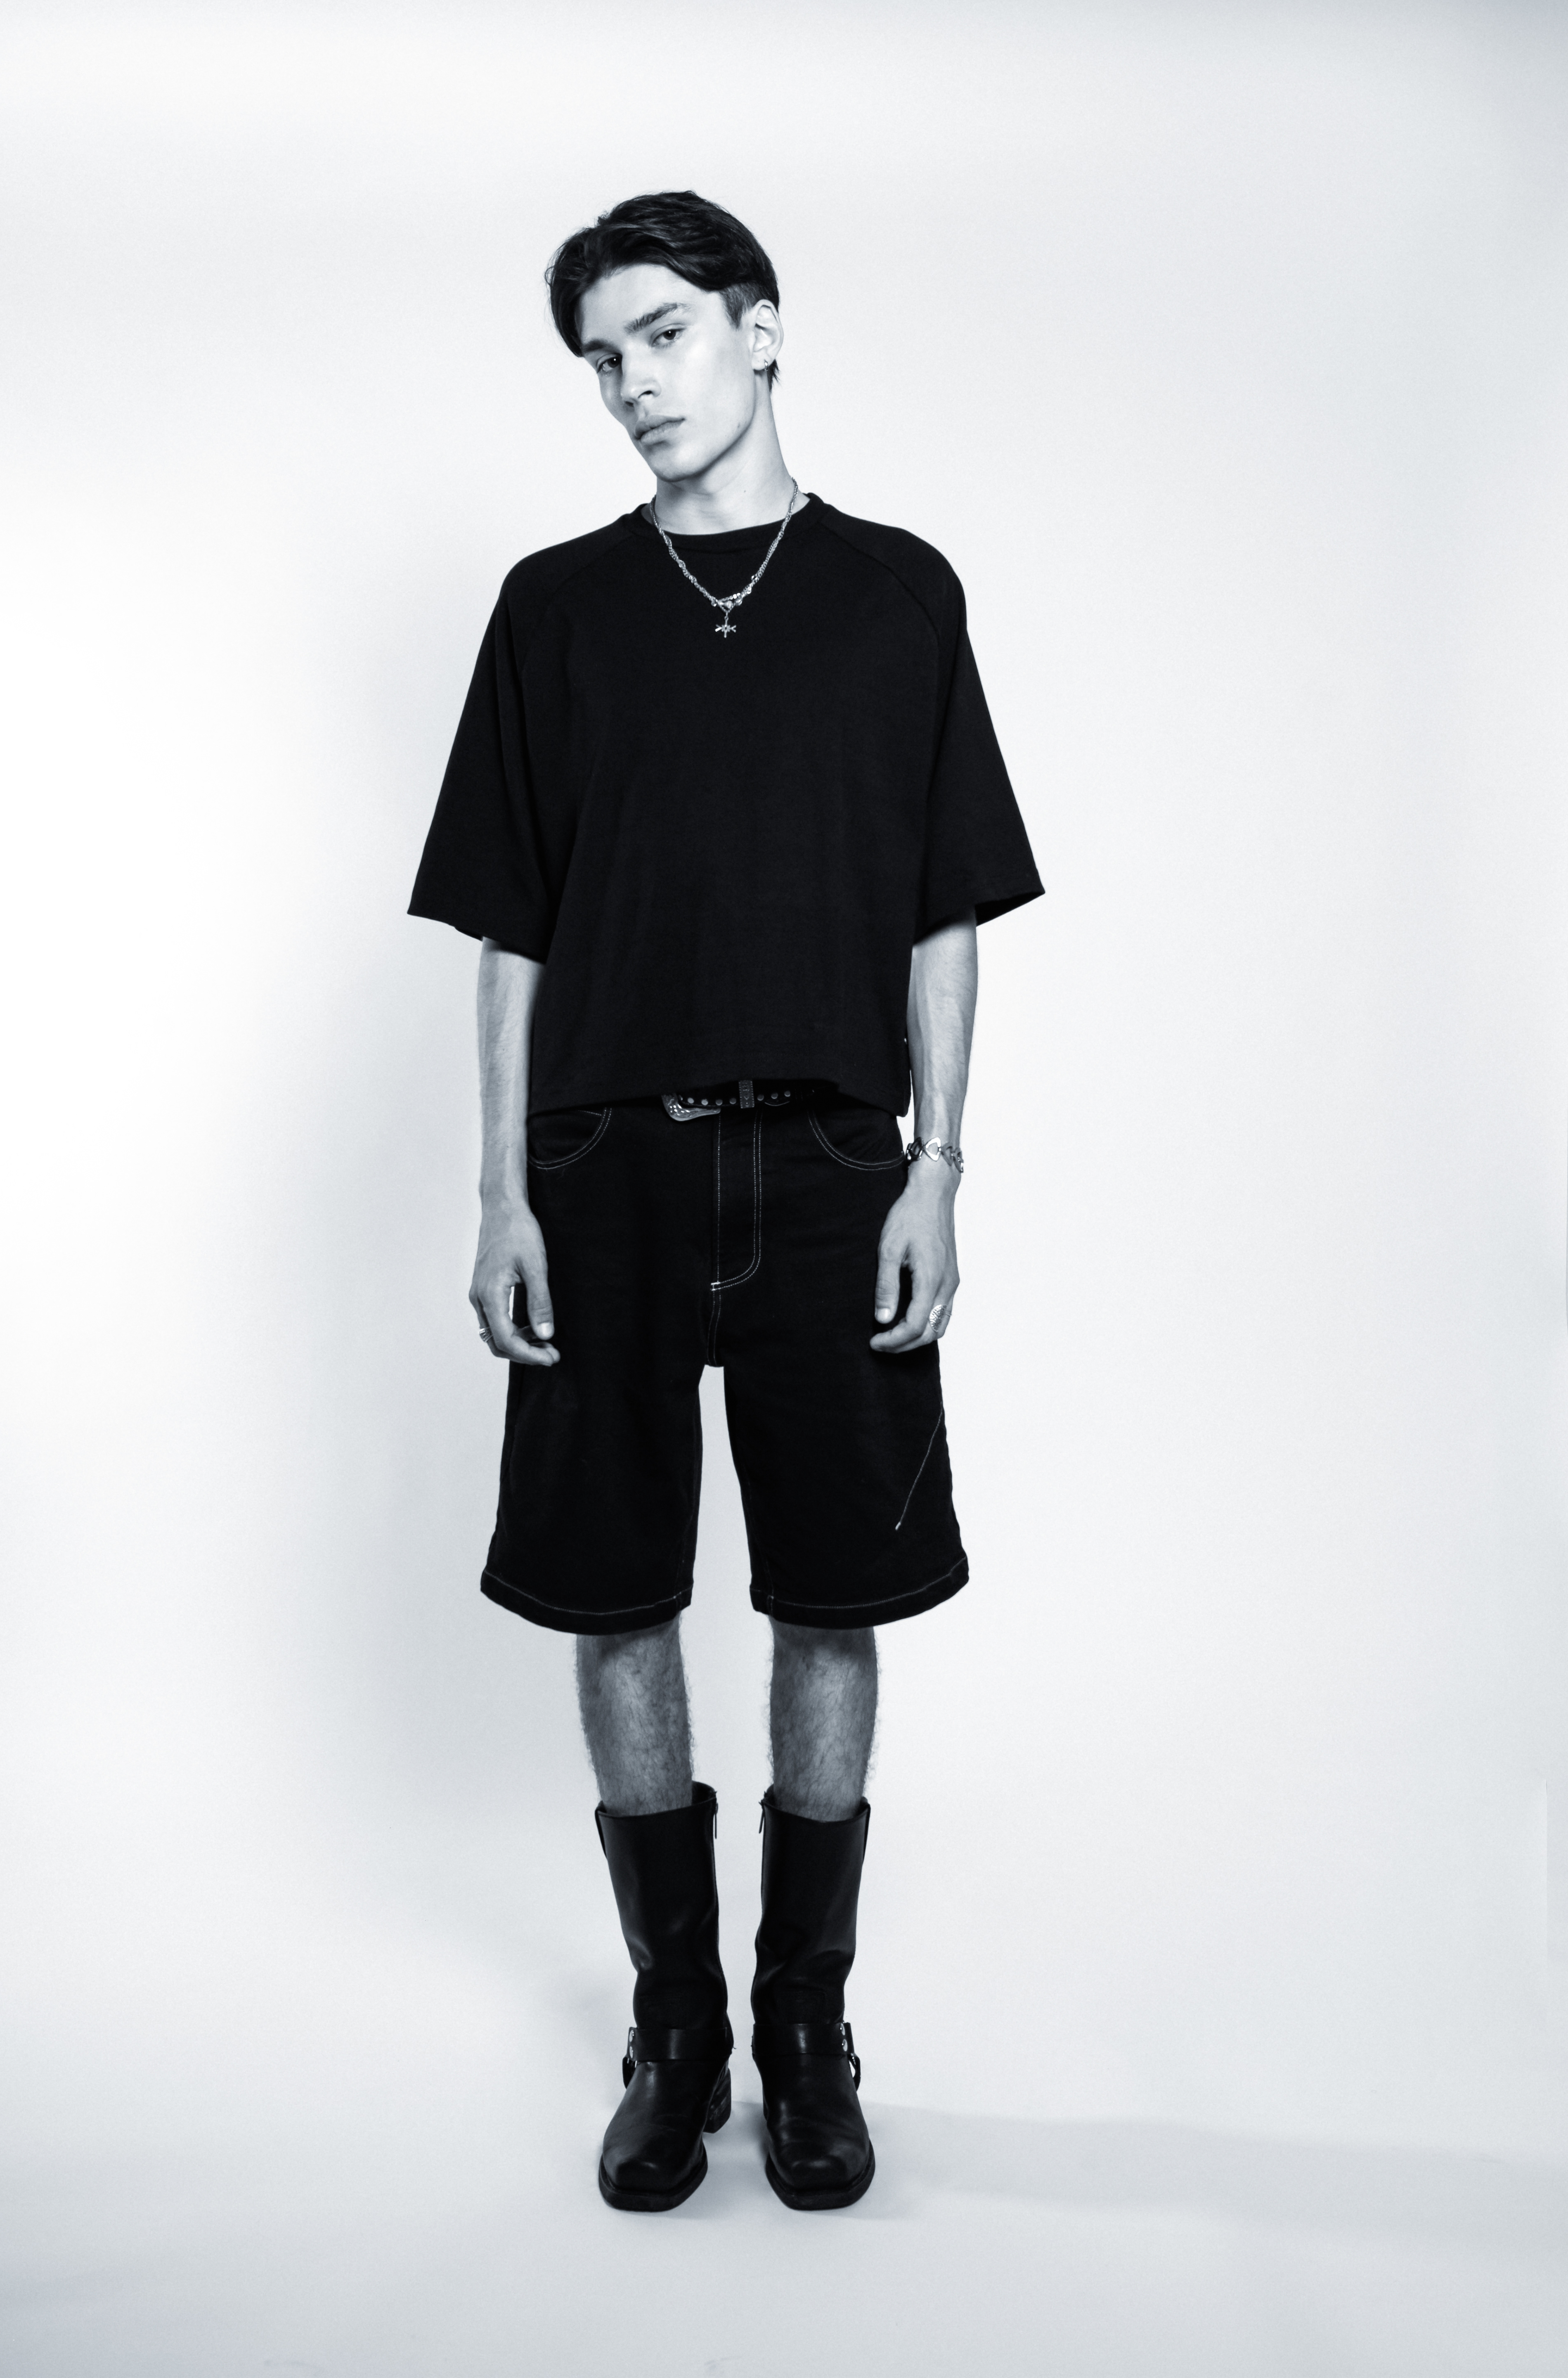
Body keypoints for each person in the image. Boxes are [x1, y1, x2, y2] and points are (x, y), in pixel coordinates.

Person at [408, 189, 1041, 2214]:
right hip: (603, 1160)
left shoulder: (897, 597)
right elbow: (509, 929)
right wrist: (501, 1188)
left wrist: (938, 1165)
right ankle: (675, 2026)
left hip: (836, 1156)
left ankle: (806, 2026)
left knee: (833, 1591)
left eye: (664, 334)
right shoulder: (556, 609)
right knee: (615, 1591)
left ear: (762, 329)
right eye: (603, 358)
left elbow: (945, 910)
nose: (633, 385)